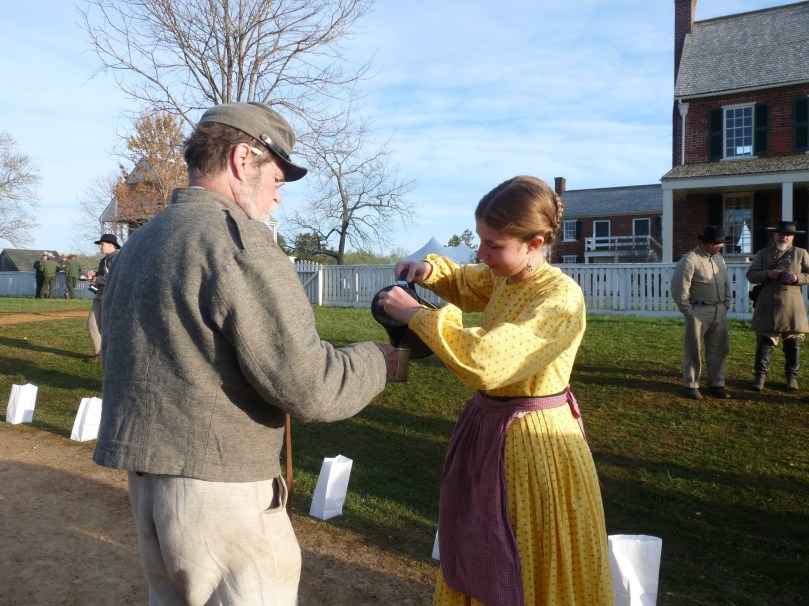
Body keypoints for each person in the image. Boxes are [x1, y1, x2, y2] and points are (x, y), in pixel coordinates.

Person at [92, 101, 398, 605]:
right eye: (277, 177)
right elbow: (309, 386)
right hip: (221, 493)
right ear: (242, 159)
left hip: (148, 487)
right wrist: (378, 361)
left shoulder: (141, 243)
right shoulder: (236, 243)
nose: (278, 197)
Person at [379, 176, 614, 605]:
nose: (483, 254)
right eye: (481, 241)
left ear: (534, 242)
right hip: (492, 431)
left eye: (494, 245)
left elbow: (486, 362)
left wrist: (416, 315)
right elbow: (469, 283)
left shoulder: (559, 298)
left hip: (535, 447)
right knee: (481, 546)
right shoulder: (507, 276)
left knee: (523, 555)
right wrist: (430, 271)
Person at [670, 225, 732, 400]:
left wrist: (726, 303)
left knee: (719, 349)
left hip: (719, 310)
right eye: (719, 243)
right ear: (708, 243)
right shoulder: (690, 260)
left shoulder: (720, 259)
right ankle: (691, 384)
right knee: (693, 349)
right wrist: (689, 311)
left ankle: (717, 384)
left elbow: (726, 283)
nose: (722, 246)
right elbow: (679, 289)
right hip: (698, 311)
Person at [746, 220, 809, 391]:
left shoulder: (801, 253)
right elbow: (751, 275)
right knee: (764, 342)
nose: (784, 237)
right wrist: (767, 274)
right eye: (781, 233)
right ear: (775, 235)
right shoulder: (763, 253)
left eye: (788, 234)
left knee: (793, 343)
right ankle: (760, 378)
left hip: (792, 305)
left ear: (793, 237)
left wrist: (797, 278)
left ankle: (791, 378)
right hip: (768, 303)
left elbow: (808, 274)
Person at [84, 234, 120, 362]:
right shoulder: (104, 260)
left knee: (108, 326)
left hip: (111, 295)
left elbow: (115, 276)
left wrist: (97, 279)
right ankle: (99, 354)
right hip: (100, 294)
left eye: (102, 244)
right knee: (92, 323)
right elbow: (103, 274)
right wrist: (94, 273)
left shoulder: (118, 258)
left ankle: (112, 354)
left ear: (111, 245)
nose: (100, 246)